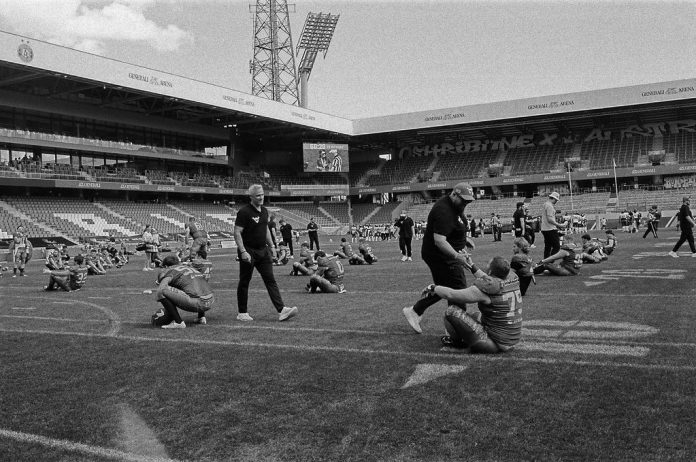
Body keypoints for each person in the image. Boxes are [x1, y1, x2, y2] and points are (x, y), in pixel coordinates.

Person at [403, 182, 475, 334]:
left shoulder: (454, 206)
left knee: (444, 287)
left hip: (445, 254)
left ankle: (416, 311)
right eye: (464, 200)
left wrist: (463, 239)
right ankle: (457, 329)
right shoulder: (443, 210)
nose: (466, 203)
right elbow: (440, 240)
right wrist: (457, 256)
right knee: (458, 288)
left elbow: (454, 226)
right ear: (454, 194)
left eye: (468, 201)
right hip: (440, 256)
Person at [423, 255, 522, 354]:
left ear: (491, 272)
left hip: (494, 343)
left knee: (451, 311)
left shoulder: (487, 289)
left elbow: (451, 294)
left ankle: (456, 342)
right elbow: (489, 279)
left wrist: (433, 288)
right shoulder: (512, 278)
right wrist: (471, 265)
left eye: (489, 265)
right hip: (511, 338)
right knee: (475, 315)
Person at [234, 184, 298, 322]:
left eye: (262, 194)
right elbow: (237, 232)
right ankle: (242, 312)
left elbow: (266, 230)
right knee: (245, 281)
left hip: (263, 251)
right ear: (251, 197)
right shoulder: (244, 212)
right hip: (248, 251)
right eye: (258, 195)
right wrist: (243, 251)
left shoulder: (264, 211)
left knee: (270, 280)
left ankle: (282, 310)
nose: (261, 197)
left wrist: (273, 246)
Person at [152, 255, 215, 329]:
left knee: (162, 291)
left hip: (198, 303)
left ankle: (178, 322)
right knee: (192, 288)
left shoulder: (169, 270)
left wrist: (161, 281)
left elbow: (161, 289)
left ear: (166, 266)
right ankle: (201, 317)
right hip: (210, 301)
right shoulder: (188, 268)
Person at [540, 191, 565, 259]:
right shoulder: (550, 206)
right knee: (557, 247)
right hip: (550, 229)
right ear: (553, 198)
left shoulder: (545, 204)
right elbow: (550, 219)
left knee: (547, 247)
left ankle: (545, 262)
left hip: (544, 228)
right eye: (556, 200)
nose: (556, 201)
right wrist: (560, 225)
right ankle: (549, 261)